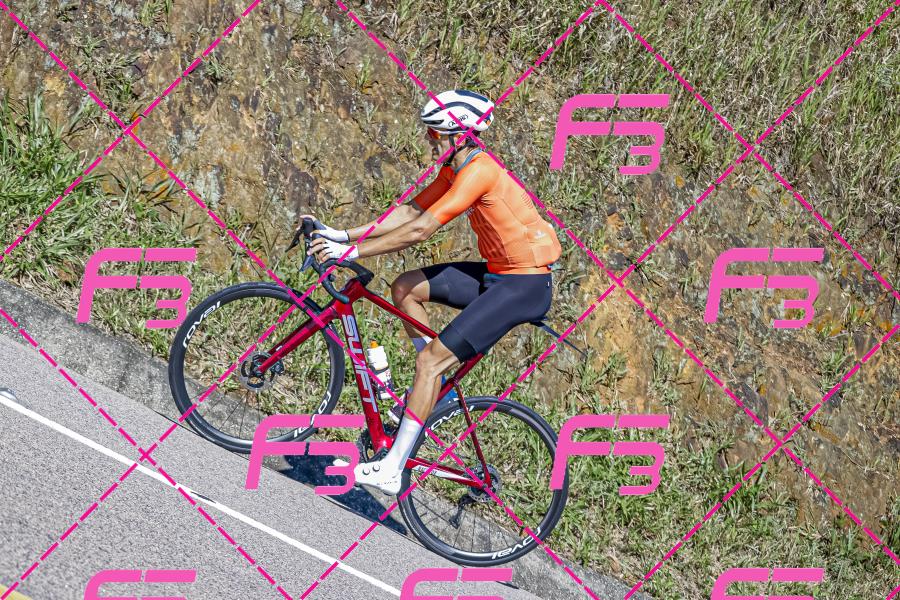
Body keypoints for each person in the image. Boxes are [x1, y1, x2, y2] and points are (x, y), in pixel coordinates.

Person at [307, 89, 562, 494]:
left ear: (459, 135)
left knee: (429, 362)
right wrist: (342, 235)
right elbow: (410, 211)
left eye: (434, 134)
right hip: (499, 274)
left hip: (524, 285)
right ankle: (431, 392)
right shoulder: (454, 168)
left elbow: (422, 229)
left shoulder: (480, 171)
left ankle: (392, 468)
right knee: (405, 287)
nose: (428, 140)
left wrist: (351, 254)